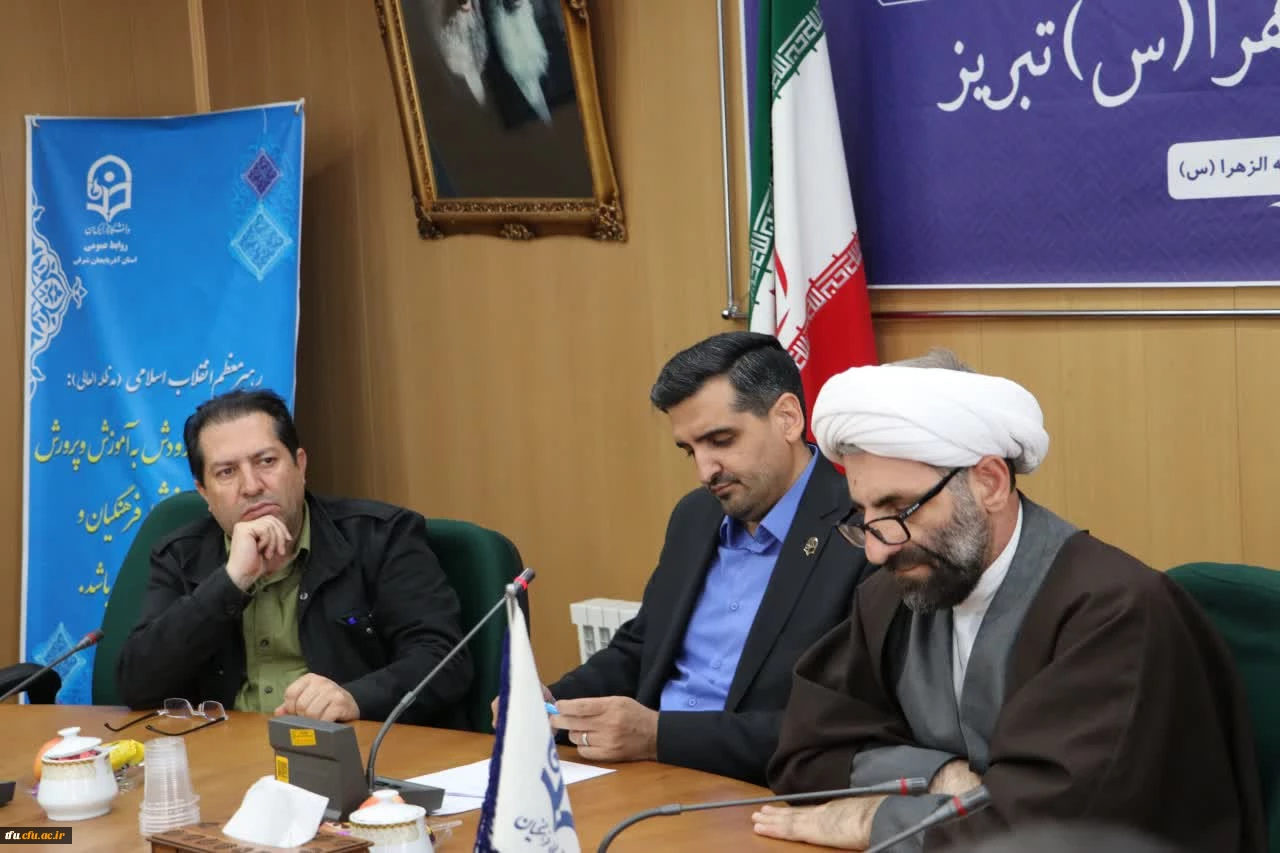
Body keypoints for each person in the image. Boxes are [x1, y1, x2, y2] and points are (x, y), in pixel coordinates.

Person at [755, 350, 1266, 851]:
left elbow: (1049, 826)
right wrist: (940, 776)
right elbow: (806, 755)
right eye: (864, 514)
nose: (876, 549)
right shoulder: (895, 595)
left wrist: (876, 819)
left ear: (990, 483)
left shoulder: (1114, 613)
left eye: (900, 509)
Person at [533, 332, 875, 785]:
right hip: (645, 774)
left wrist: (658, 736)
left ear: (788, 419)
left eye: (721, 440)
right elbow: (641, 648)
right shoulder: (695, 516)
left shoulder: (863, 531)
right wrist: (550, 702)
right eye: (690, 450)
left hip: (757, 787)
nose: (704, 471)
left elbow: (840, 724)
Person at [117, 389, 472, 727]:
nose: (251, 486)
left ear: (300, 466)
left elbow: (444, 659)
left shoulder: (381, 536)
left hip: (353, 750)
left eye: (266, 461)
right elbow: (138, 685)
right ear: (204, 493)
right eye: (227, 472)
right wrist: (230, 581)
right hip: (227, 754)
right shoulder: (180, 556)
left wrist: (355, 698)